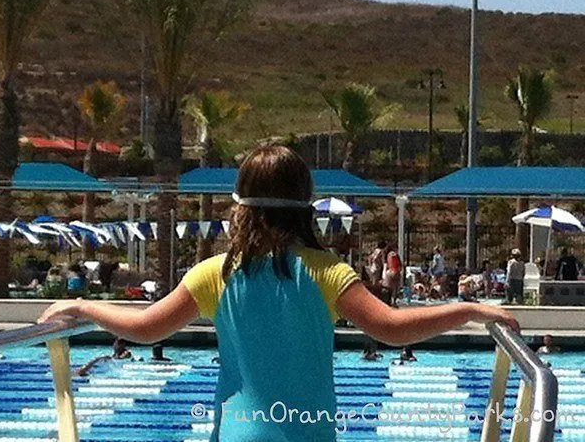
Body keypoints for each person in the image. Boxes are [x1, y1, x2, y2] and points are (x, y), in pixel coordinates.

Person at [39, 146, 518, 442]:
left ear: (240, 204)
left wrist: (82, 305)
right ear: (305, 204)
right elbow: (391, 331)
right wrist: (470, 309)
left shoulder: (216, 272)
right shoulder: (327, 271)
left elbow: (145, 329)